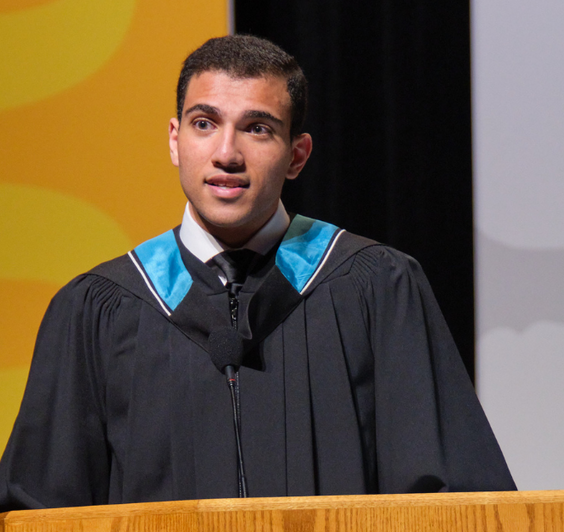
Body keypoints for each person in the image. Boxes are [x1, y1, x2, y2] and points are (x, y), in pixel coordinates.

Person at [0, 35, 515, 511]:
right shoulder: (97, 311)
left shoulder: (377, 289)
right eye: (205, 123)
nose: (227, 154)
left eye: (257, 129)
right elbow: (41, 512)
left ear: (297, 155)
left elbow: (455, 501)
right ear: (175, 141)